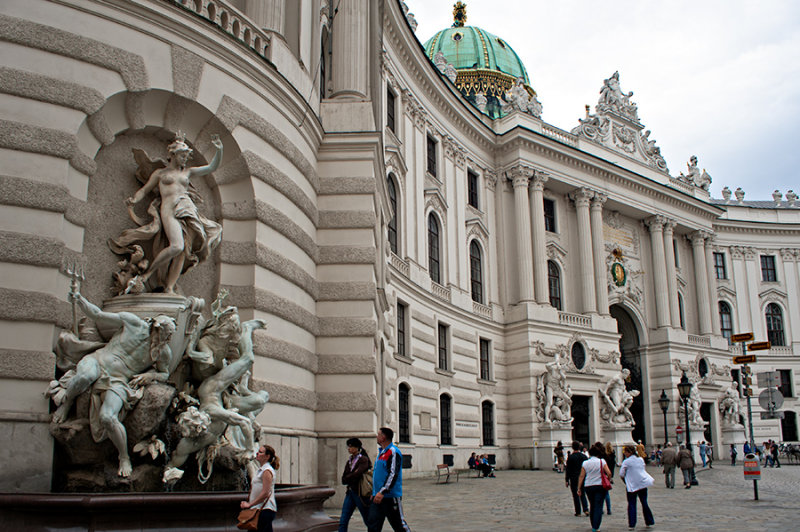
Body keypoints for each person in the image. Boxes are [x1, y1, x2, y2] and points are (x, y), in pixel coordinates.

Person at [49, 289, 176, 477]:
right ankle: (67, 404)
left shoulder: (162, 352)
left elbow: (164, 373)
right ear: (155, 326)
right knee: (85, 377)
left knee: (108, 417)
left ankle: (123, 457)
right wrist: (80, 299)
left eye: (169, 337)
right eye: (165, 334)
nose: (166, 340)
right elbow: (98, 315)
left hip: (119, 381)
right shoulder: (133, 323)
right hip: (97, 362)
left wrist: (150, 377)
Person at [111, 133, 223, 294]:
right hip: (169, 210)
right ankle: (148, 274)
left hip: (187, 209)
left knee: (183, 250)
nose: (185, 159)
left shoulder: (188, 173)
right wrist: (134, 200)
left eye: (187, 156)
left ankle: (170, 287)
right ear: (173, 155)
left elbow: (211, 167)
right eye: (183, 156)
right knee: (177, 246)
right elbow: (145, 190)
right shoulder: (160, 174)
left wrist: (219, 150)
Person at [368, 427, 410, 532]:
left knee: (399, 525)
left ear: (383, 437)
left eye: (378, 434)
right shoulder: (381, 452)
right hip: (377, 496)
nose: (376, 437)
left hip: (390, 497)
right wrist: (374, 492)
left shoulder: (393, 452)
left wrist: (383, 491)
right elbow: (379, 475)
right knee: (373, 525)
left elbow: (393, 474)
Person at [241, 444, 279, 532]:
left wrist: (250, 504)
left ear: (267, 456)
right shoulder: (261, 470)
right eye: (258, 452)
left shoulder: (267, 471)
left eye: (260, 452)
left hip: (264, 509)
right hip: (259, 509)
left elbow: (266, 492)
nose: (257, 453)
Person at [577, 443, 612, 532]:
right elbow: (609, 473)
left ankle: (593, 523)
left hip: (589, 486)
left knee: (592, 505)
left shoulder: (585, 463)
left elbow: (581, 476)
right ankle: (596, 527)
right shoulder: (602, 461)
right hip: (600, 485)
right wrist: (608, 479)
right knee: (598, 506)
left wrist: (579, 488)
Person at [619, 444, 655, 529]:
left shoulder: (626, 461)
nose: (624, 453)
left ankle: (632, 523)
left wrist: (625, 480)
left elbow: (621, 474)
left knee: (632, 504)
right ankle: (649, 521)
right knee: (644, 502)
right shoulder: (640, 459)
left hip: (632, 485)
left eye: (625, 452)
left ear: (629, 452)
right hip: (642, 483)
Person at [339, 437, 372, 531]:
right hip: (350, 492)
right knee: (343, 519)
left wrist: (349, 477)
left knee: (367, 519)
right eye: (348, 446)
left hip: (360, 493)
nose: (349, 448)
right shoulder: (349, 460)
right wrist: (350, 476)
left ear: (357, 447)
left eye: (351, 446)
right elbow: (343, 478)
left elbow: (358, 474)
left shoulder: (363, 459)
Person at [565, 441, 589, 517]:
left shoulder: (571, 457)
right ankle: (585, 509)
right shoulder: (584, 456)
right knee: (583, 494)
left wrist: (566, 480)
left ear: (572, 447)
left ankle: (578, 511)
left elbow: (568, 469)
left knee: (575, 495)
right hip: (583, 477)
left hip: (573, 478)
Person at [603, 442, 617, 515]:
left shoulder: (604, 456)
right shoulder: (613, 455)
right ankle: (609, 509)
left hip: (604, 474)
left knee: (602, 493)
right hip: (609, 475)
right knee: (606, 493)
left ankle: (602, 509)